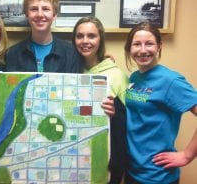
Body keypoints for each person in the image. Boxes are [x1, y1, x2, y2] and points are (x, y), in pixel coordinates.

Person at [124, 22, 197, 184]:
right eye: (136, 44)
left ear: (159, 46)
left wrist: (187, 155)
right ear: (130, 48)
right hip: (132, 170)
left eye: (149, 44)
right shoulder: (134, 78)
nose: (142, 50)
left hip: (157, 176)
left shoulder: (170, 80)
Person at [72, 16, 129, 184]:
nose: (85, 41)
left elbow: (130, 122)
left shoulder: (117, 75)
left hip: (106, 163)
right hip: (74, 160)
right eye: (79, 36)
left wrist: (115, 113)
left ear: (100, 39)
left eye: (91, 36)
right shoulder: (70, 71)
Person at [4, 0, 80, 73]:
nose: (40, 14)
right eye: (34, 9)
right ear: (26, 14)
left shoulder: (70, 53)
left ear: (54, 14)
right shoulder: (12, 54)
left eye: (46, 9)